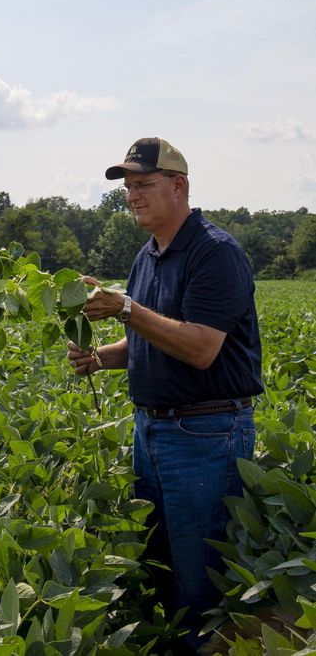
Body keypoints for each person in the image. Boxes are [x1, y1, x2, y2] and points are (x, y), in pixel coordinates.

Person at [67, 137, 263, 653]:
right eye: (128, 187)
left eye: (144, 184)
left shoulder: (215, 252)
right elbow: (146, 340)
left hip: (205, 434)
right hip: (152, 432)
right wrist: (100, 356)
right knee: (160, 570)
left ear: (179, 186)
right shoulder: (148, 257)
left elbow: (199, 347)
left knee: (201, 584)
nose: (132, 195)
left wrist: (126, 308)